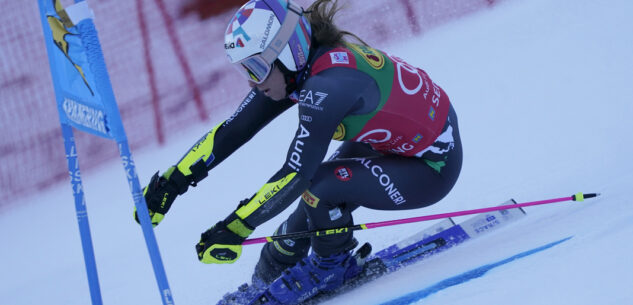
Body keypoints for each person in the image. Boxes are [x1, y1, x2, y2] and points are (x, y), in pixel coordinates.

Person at [135, 0, 463, 304]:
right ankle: (276, 269)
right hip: (392, 142)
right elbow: (234, 131)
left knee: (318, 188)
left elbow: (296, 173)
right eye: (244, 70)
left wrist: (236, 227)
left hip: (431, 166)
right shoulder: (297, 68)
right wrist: (172, 184)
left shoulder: (327, 86)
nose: (252, 82)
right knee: (287, 238)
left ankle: (331, 267)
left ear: (287, 52)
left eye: (255, 67)